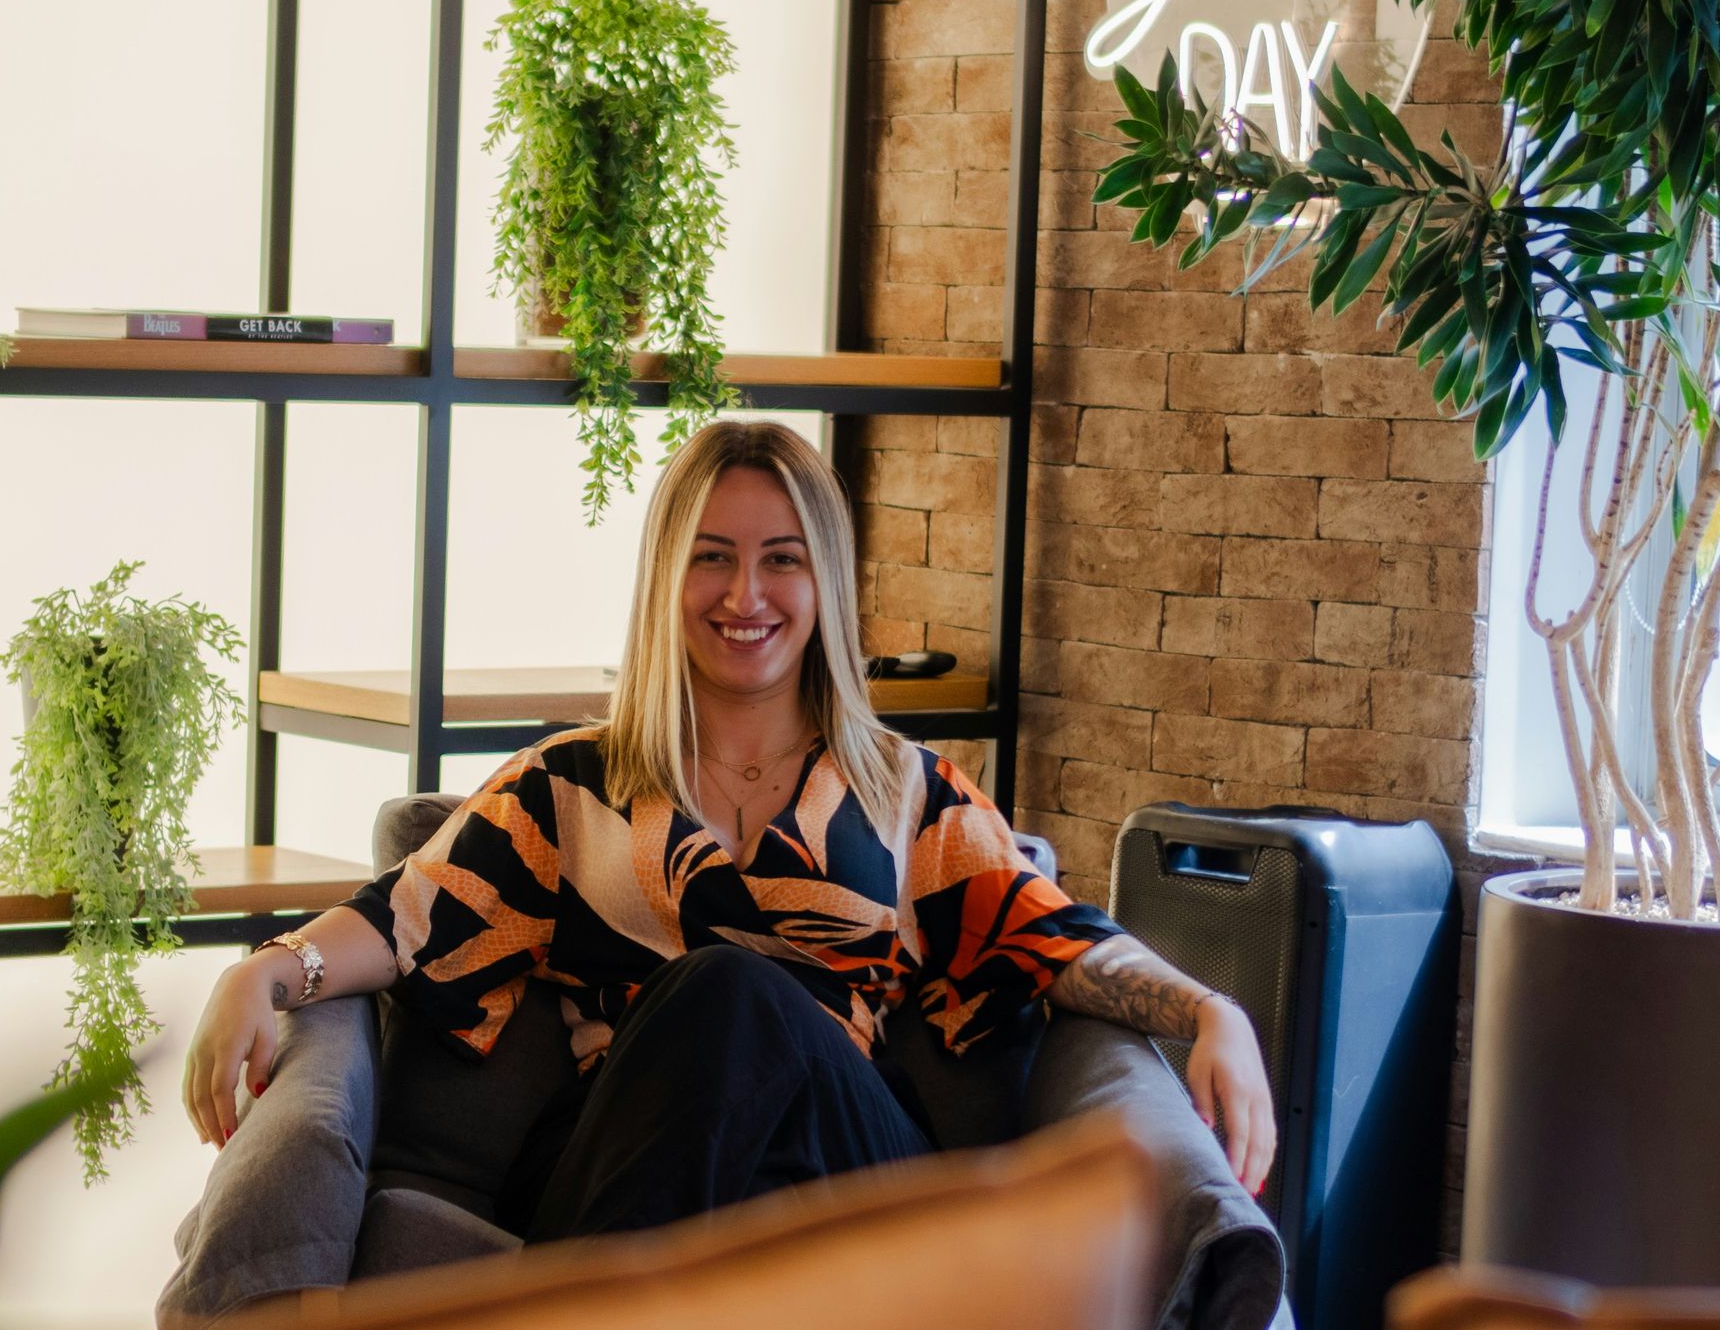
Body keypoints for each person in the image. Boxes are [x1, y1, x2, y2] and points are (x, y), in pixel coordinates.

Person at [182, 419, 1275, 1241]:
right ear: (669, 577)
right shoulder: (572, 785)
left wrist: (1207, 1009)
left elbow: (1055, 934)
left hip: (844, 1168)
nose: (744, 593)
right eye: (712, 556)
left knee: (733, 991)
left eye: (781, 558)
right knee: (713, 997)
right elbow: (411, 919)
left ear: (825, 582)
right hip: (621, 1158)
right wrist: (270, 973)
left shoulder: (901, 792)